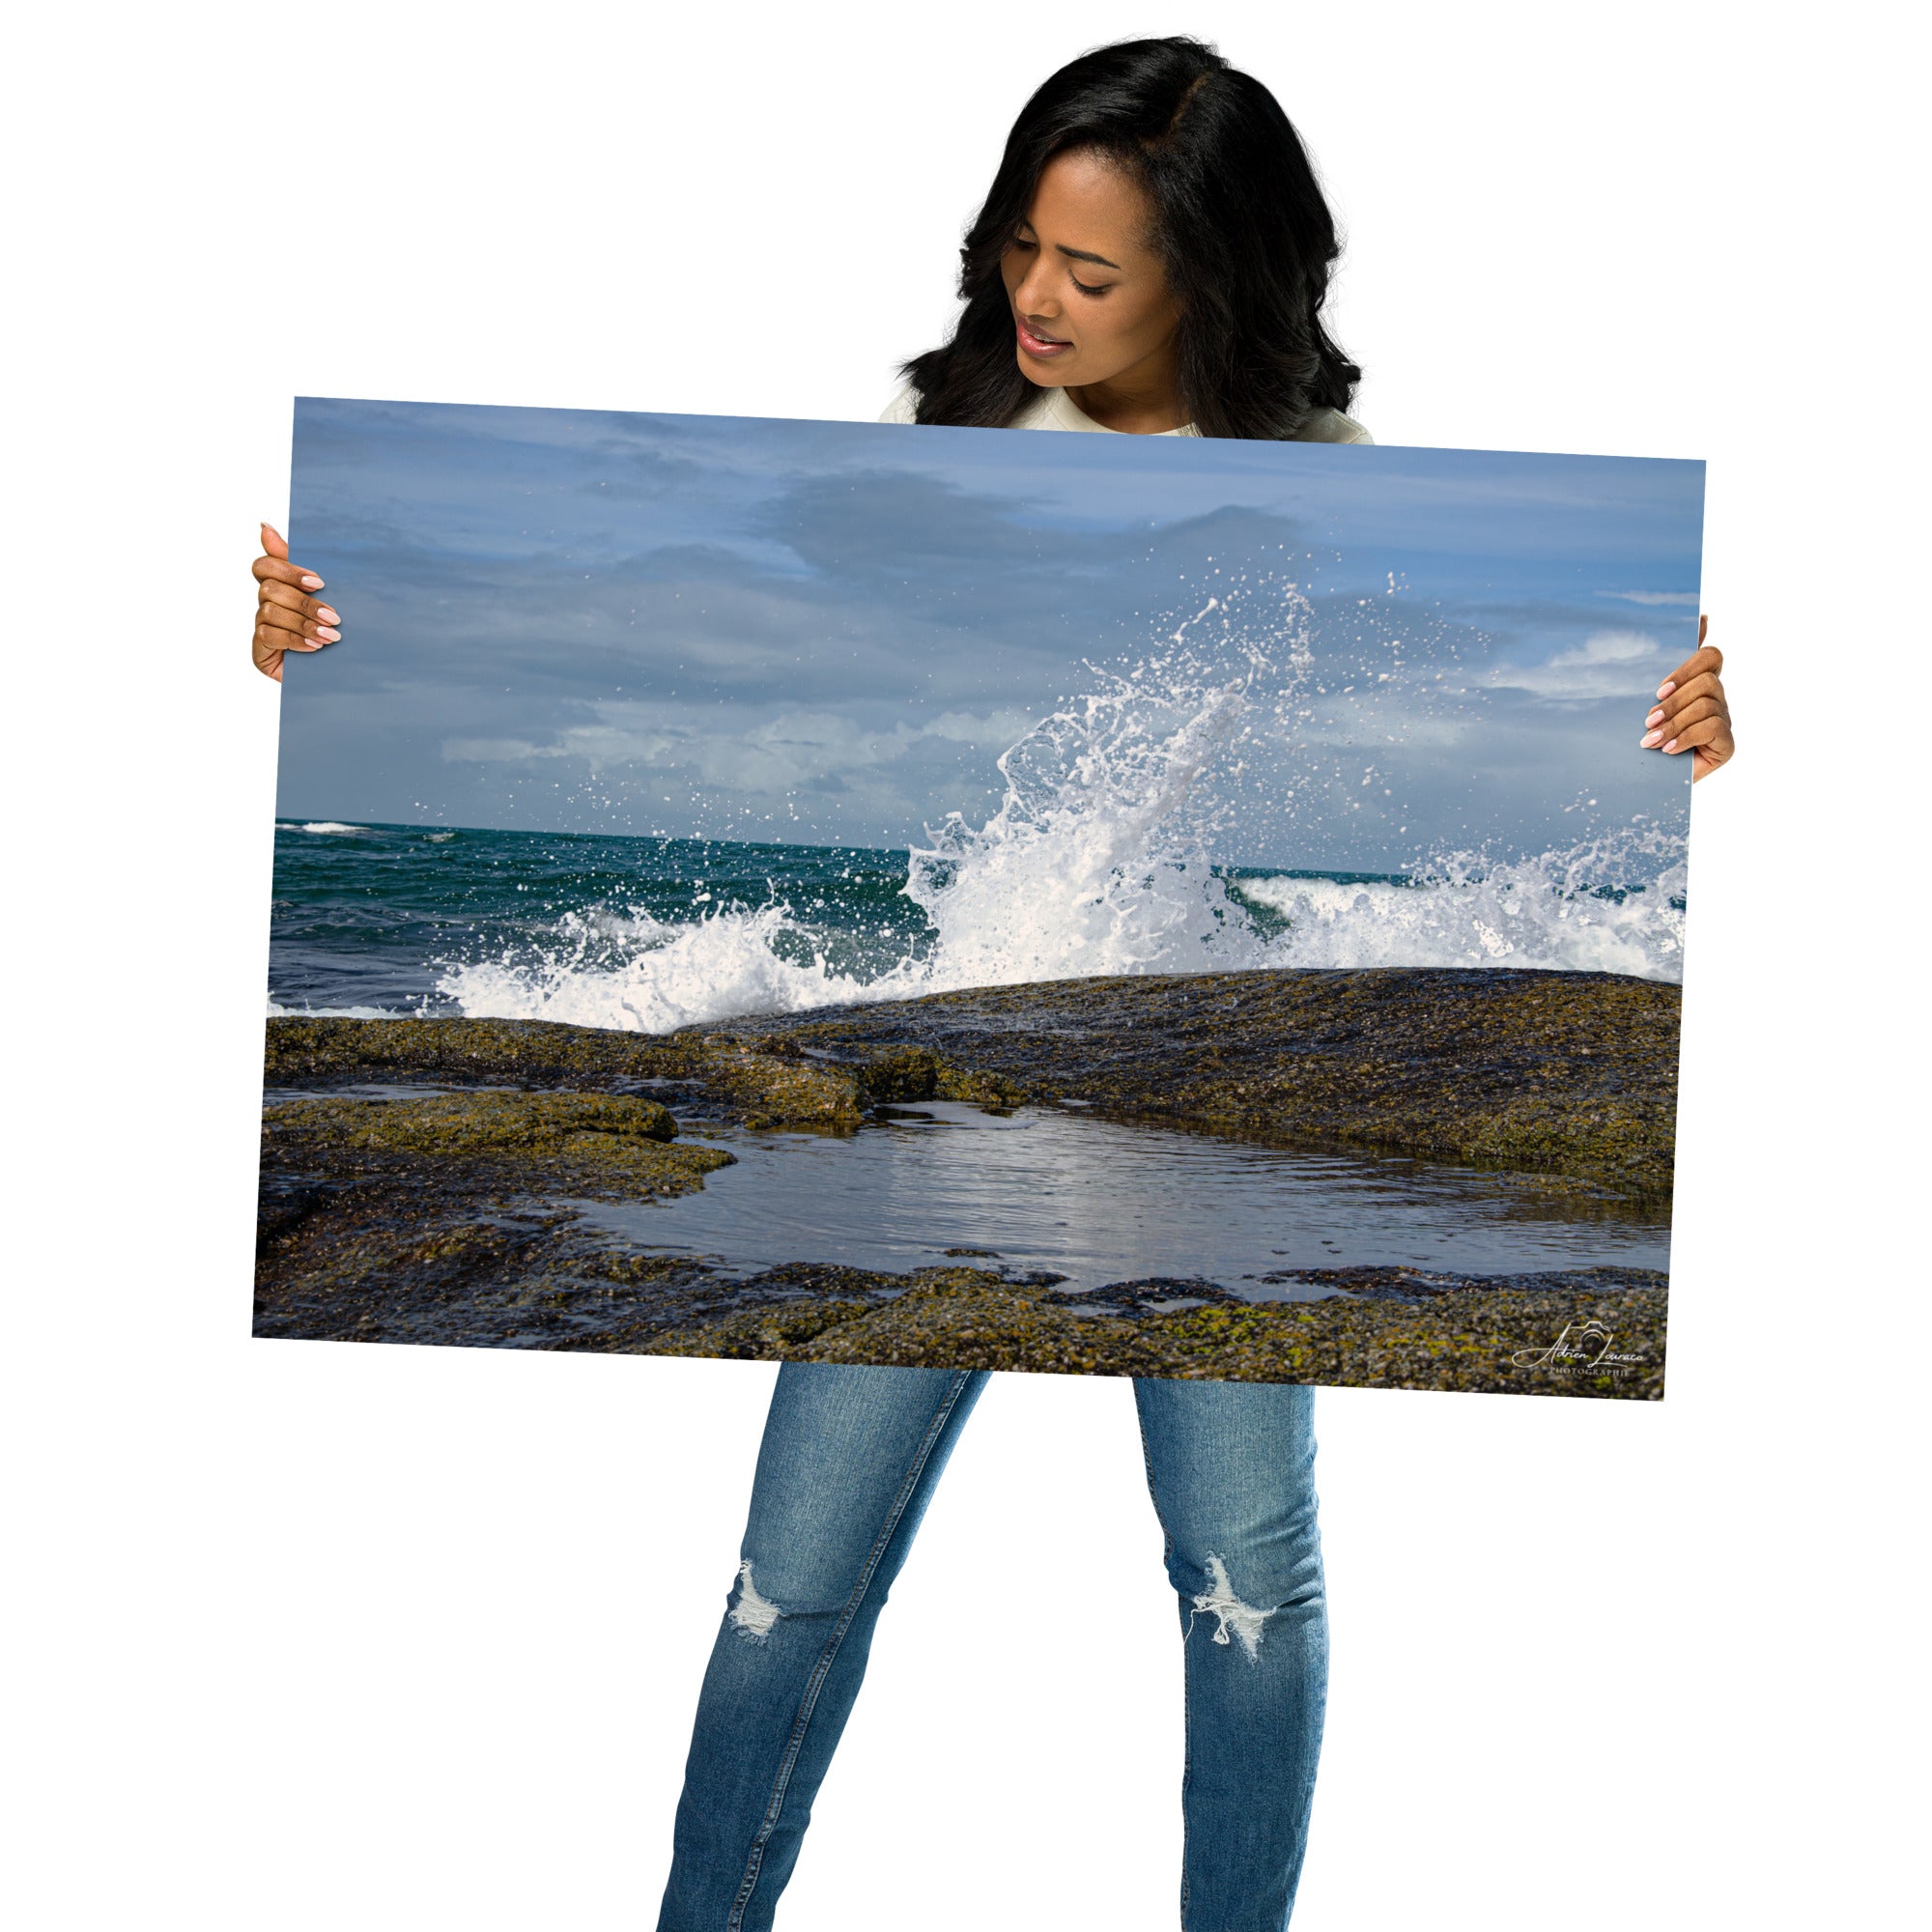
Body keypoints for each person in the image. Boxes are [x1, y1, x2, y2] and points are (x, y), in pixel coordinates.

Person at [247, 38, 1734, 1930]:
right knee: (789, 1580)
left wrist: (1692, 730)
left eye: (1090, 272)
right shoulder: (928, 432)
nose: (1036, 297)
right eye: (1023, 245)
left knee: (1245, 1581)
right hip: (959, 1050)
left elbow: (1580, 722)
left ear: (1217, 274)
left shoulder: (1340, 481)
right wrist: (319, 639)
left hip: (1179, 1068)